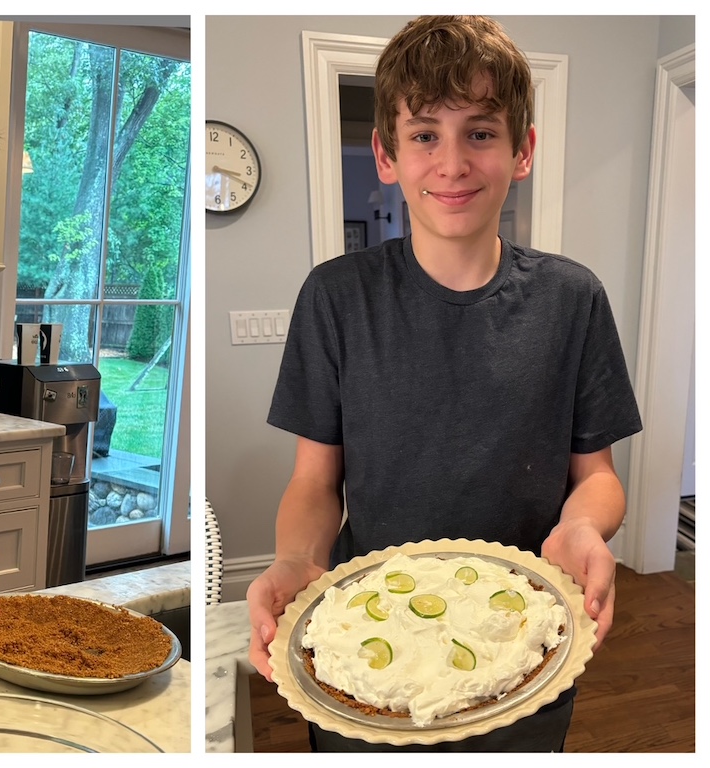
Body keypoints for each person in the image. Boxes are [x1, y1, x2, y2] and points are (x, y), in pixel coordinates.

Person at [247, 15, 642, 752]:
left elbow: (598, 477)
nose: (453, 162)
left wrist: (582, 525)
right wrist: (296, 559)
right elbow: (313, 481)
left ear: (521, 150)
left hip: (523, 632)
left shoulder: (573, 299)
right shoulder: (335, 297)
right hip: (368, 635)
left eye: (481, 133)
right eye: (425, 134)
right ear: (386, 155)